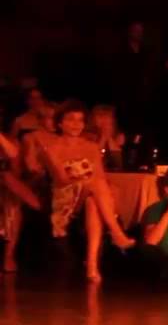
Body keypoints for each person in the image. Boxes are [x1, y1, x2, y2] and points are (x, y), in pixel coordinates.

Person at [37, 100, 136, 281]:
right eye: (71, 120)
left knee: (94, 200)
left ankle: (91, 265)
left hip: (90, 194)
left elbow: (100, 176)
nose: (76, 124)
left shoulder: (90, 146)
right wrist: (85, 181)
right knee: (95, 184)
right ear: (60, 123)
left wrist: (91, 184)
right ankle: (116, 232)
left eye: (80, 120)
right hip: (65, 196)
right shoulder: (50, 148)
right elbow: (61, 180)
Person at [0, 131, 41, 273]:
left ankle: (9, 255)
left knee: (12, 200)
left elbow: (13, 154)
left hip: (4, 184)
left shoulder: (8, 140)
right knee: (10, 186)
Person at [87, 105, 126, 171]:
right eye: (100, 116)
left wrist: (110, 138)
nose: (104, 119)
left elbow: (118, 163)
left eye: (107, 116)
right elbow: (93, 159)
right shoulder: (88, 136)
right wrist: (103, 138)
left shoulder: (119, 136)